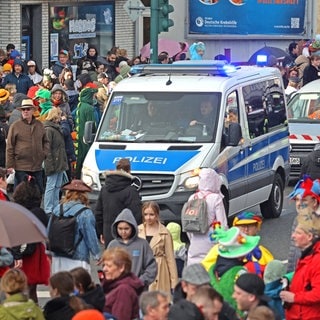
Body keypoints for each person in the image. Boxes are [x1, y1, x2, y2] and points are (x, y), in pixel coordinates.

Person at [11, 175, 50, 303]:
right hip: (35, 251)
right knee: (31, 287)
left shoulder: (17, 211)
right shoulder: (38, 212)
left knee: (20, 286)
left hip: (20, 253)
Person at [50, 179, 101, 274]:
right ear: (84, 195)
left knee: (61, 286)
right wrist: (97, 255)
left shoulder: (57, 209)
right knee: (79, 287)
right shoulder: (85, 212)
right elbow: (90, 236)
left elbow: (49, 231)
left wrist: (49, 252)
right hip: (78, 257)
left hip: (58, 256)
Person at [203, 212, 274, 277]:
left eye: (250, 226)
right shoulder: (220, 248)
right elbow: (205, 268)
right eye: (242, 226)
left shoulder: (261, 251)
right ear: (235, 228)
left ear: (257, 228)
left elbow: (272, 271)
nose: (246, 229)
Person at [279, 207, 320, 320]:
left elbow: (318, 293)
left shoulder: (317, 260)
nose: (293, 236)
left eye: (298, 233)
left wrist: (294, 297)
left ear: (309, 237)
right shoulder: (307, 255)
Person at [95, 158, 142, 247]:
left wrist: (101, 232)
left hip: (108, 234)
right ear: (129, 171)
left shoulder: (105, 189)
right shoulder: (131, 191)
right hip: (126, 236)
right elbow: (137, 215)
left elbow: (98, 213)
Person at [6, 98, 49, 193]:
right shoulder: (15, 126)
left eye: (28, 109)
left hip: (37, 166)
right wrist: (10, 165)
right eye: (23, 109)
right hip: (21, 166)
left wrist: (44, 154)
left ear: (33, 110)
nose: (25, 111)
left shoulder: (40, 125)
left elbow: (46, 141)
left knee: (38, 193)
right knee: (20, 195)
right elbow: (10, 146)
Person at [107, 208, 157, 289]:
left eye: (126, 229)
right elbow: (106, 267)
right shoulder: (112, 245)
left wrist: (140, 281)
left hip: (138, 290)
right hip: (117, 289)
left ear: (133, 228)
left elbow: (151, 267)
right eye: (120, 229)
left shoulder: (142, 244)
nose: (123, 232)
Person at [186, 168, 228, 265]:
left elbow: (188, 222)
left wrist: (192, 238)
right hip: (211, 239)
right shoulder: (216, 198)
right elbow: (223, 225)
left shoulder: (192, 197)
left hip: (195, 240)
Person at [138, 201, 178, 294]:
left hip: (159, 269)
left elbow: (170, 258)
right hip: (142, 268)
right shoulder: (138, 230)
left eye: (151, 214)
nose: (148, 218)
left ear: (157, 214)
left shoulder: (165, 232)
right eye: (145, 214)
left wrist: (174, 283)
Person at [287, 176, 320, 272]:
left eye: (304, 200)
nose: (299, 204)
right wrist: (289, 277)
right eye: (297, 200)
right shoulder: (298, 220)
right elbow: (293, 252)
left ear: (314, 202)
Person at [101, 247, 144, 320]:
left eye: (109, 266)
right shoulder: (113, 286)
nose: (104, 269)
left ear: (121, 267)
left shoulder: (124, 290)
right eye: (104, 265)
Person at [43, 107, 69, 213]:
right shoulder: (49, 129)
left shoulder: (55, 128)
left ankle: (54, 206)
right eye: (59, 114)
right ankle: (49, 208)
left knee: (57, 186)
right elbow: (47, 148)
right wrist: (50, 164)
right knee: (51, 186)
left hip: (58, 161)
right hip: (53, 161)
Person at [74, 74, 98, 178]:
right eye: (93, 96)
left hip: (80, 138)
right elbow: (93, 125)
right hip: (87, 140)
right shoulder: (89, 108)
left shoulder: (80, 106)